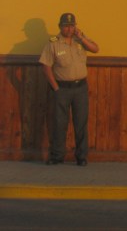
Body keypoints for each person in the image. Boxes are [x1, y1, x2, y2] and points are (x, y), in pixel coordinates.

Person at [39, 12, 99, 166]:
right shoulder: (53, 43)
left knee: (81, 123)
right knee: (59, 123)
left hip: (80, 88)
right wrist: (56, 88)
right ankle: (57, 156)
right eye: (66, 26)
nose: (69, 29)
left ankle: (81, 157)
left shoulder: (80, 41)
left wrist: (82, 37)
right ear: (60, 27)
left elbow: (95, 49)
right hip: (62, 89)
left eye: (72, 26)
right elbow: (46, 66)